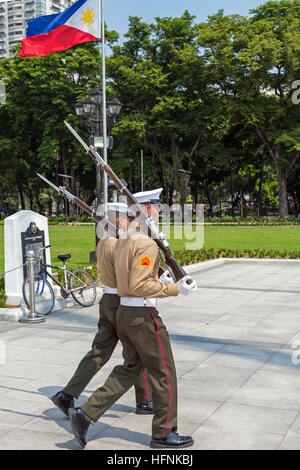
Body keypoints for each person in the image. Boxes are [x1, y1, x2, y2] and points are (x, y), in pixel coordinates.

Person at [68, 189, 197, 449]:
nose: (159, 213)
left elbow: (130, 278)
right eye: (157, 208)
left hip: (125, 312)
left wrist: (158, 278)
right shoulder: (146, 243)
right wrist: (175, 289)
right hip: (143, 316)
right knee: (164, 373)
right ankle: (164, 432)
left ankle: (86, 413)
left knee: (130, 368)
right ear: (146, 209)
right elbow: (139, 285)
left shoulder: (124, 239)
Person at [51, 202, 153, 419]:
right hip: (122, 302)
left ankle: (67, 394)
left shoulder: (105, 242)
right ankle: (141, 402)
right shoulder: (121, 244)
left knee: (99, 351)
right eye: (128, 217)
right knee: (136, 353)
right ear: (118, 219)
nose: (132, 221)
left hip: (108, 299)